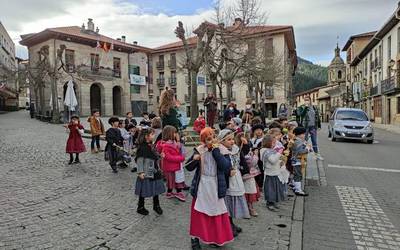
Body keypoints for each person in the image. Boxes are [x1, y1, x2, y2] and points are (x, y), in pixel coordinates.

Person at [185, 128, 234, 249]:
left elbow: (226, 167)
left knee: (215, 213)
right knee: (199, 213)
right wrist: (194, 159)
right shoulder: (200, 150)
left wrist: (216, 152)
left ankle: (213, 237)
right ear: (203, 141)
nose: (212, 140)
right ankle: (194, 238)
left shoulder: (222, 150)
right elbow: (189, 168)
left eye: (213, 137)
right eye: (208, 139)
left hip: (216, 185)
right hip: (202, 185)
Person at [218, 129, 250, 236]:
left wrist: (245, 145)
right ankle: (228, 226)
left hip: (236, 179)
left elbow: (242, 155)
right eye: (228, 140)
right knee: (226, 205)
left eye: (232, 139)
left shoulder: (235, 149)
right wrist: (228, 171)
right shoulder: (220, 151)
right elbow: (220, 166)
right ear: (221, 141)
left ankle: (231, 223)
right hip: (226, 181)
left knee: (231, 205)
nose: (232, 141)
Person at [135, 128, 166, 215]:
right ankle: (140, 207)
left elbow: (154, 156)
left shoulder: (151, 145)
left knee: (156, 188)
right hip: (146, 171)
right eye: (152, 134)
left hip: (154, 169)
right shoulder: (142, 147)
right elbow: (139, 159)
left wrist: (160, 156)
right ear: (146, 136)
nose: (154, 135)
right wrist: (140, 172)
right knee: (144, 189)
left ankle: (156, 205)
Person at [156, 125, 186, 201]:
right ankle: (175, 192)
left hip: (175, 165)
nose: (176, 134)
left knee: (175, 179)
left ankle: (171, 192)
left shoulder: (173, 142)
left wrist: (179, 140)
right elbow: (169, 157)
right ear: (169, 134)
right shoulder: (166, 145)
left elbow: (178, 148)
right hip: (170, 166)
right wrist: (181, 158)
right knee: (172, 180)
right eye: (174, 133)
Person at [236, 132, 260, 217]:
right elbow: (251, 162)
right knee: (248, 191)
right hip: (247, 175)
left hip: (248, 174)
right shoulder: (240, 150)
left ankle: (248, 208)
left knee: (249, 191)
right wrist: (256, 156)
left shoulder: (247, 149)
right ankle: (249, 208)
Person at [262, 135, 287, 211]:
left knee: (276, 188)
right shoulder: (265, 151)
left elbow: (276, 160)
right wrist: (279, 152)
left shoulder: (271, 150)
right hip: (270, 173)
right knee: (270, 189)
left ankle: (274, 202)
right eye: (273, 143)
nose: (274, 144)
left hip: (275, 172)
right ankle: (270, 203)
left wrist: (280, 162)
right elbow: (272, 160)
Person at [292, 127, 312, 196]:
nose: (304, 135)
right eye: (303, 134)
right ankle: (298, 190)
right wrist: (307, 149)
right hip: (297, 160)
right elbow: (300, 151)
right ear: (299, 135)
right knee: (298, 175)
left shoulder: (298, 140)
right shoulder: (298, 141)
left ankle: (295, 187)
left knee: (297, 174)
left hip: (297, 160)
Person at [251, 124, 265, 189]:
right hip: (253, 157)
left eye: (260, 130)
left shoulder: (263, 139)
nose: (259, 132)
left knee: (261, 170)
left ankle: (260, 184)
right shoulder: (252, 139)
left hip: (260, 157)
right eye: (257, 130)